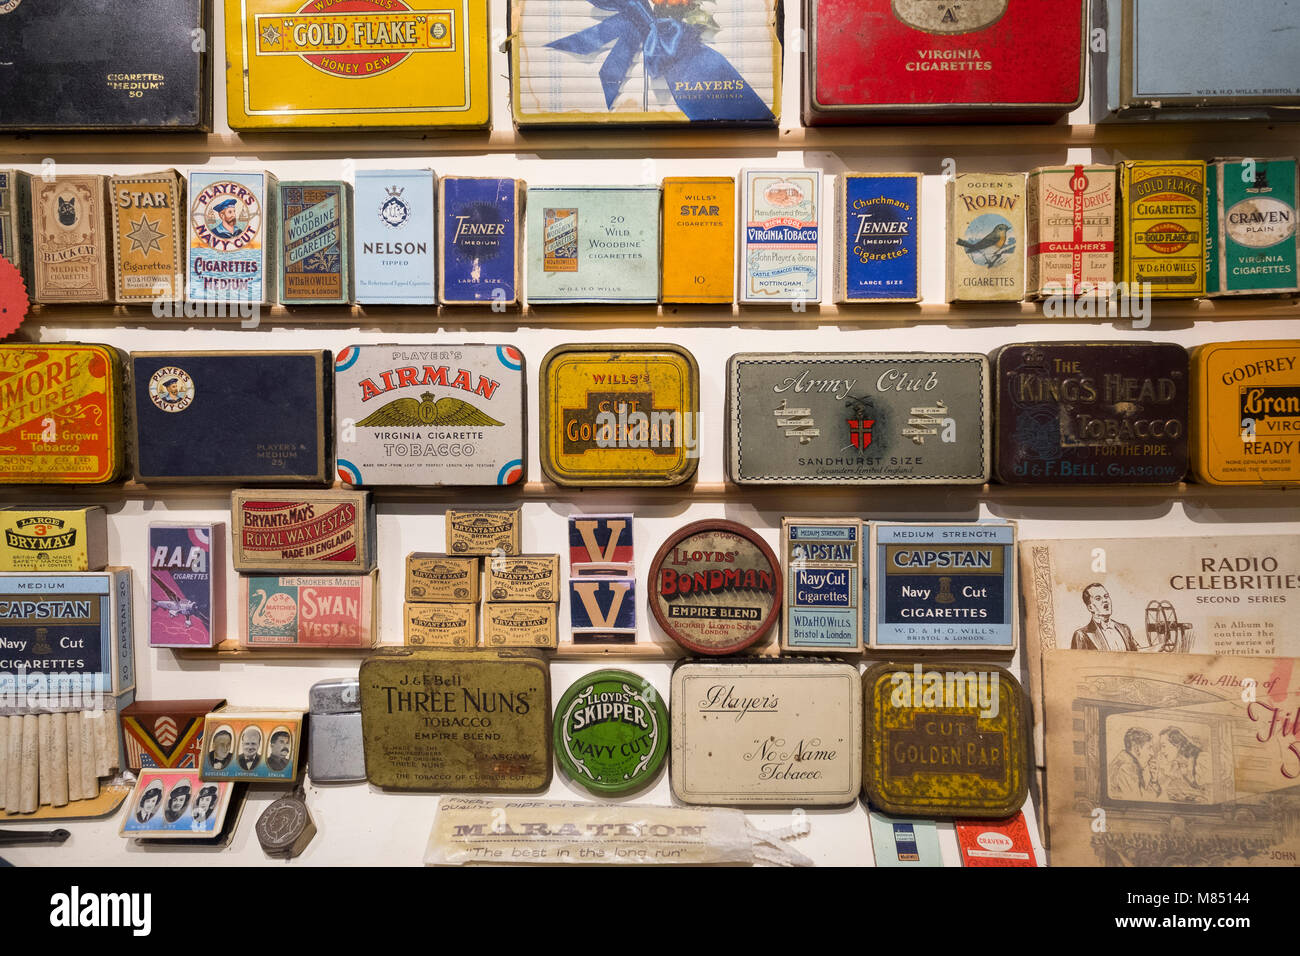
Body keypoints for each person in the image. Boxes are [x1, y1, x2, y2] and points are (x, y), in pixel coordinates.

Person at [1071, 583, 1138, 651]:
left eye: (1106, 596)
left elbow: (1136, 658)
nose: (1105, 600)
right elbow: (1079, 661)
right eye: (1098, 598)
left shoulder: (1125, 629)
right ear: (1090, 608)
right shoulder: (1081, 635)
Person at [1108, 727, 1157, 800]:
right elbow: (1141, 802)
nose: (1152, 753)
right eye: (1149, 748)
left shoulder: (1125, 762)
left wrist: (1153, 780)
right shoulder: (1127, 768)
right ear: (1136, 748)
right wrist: (1154, 782)